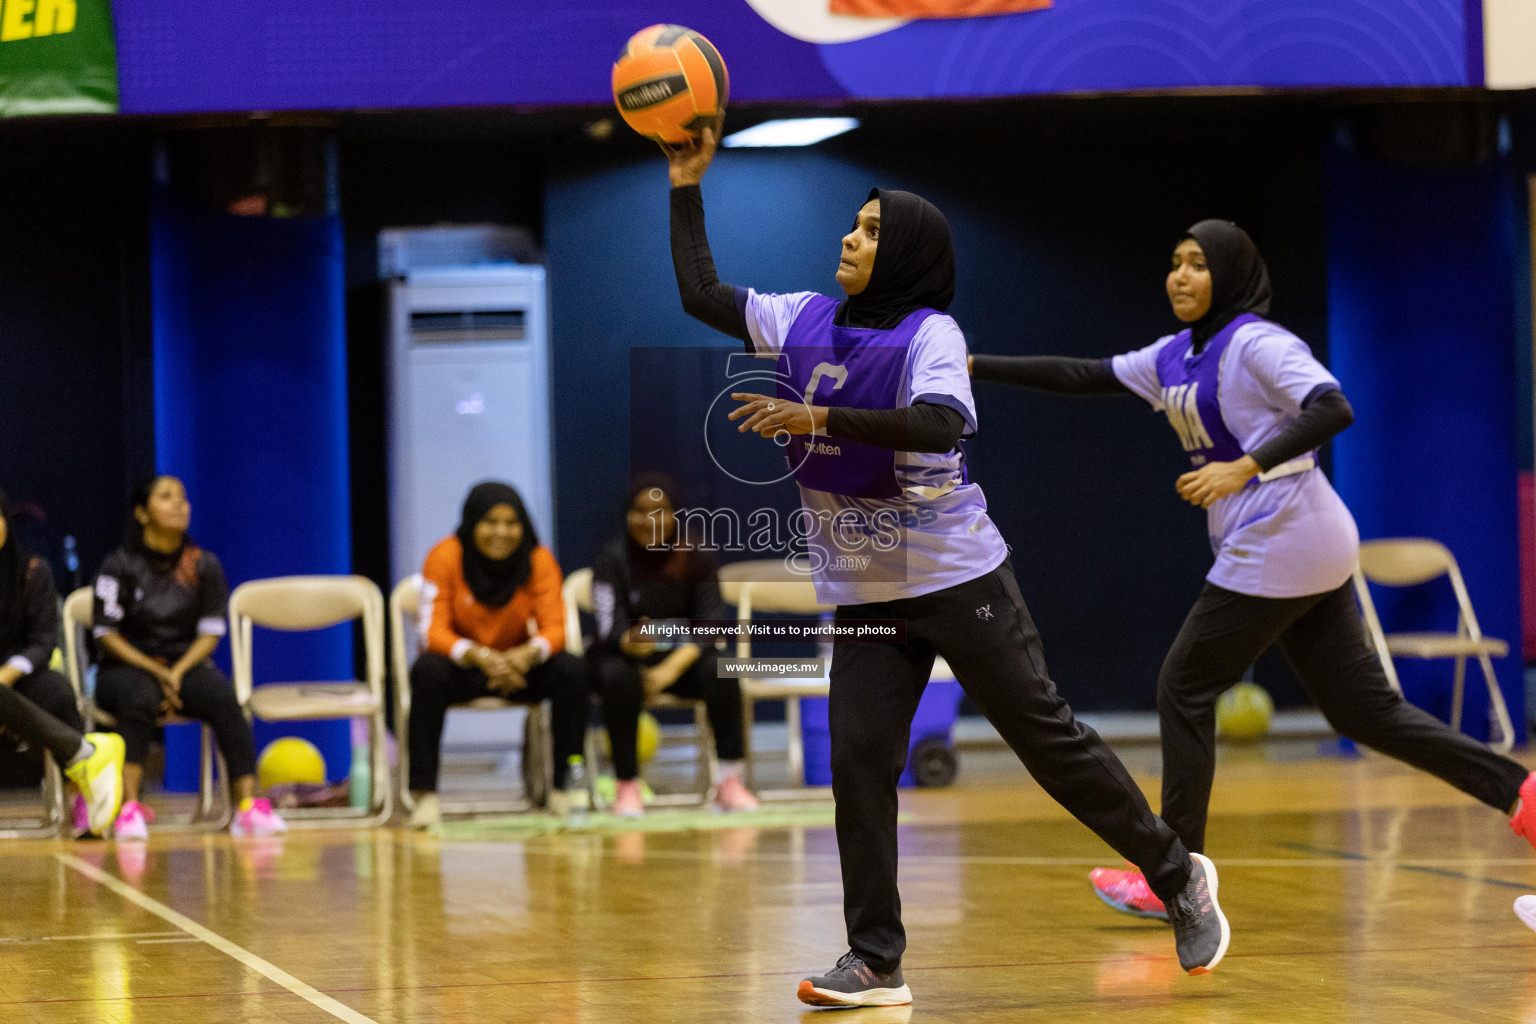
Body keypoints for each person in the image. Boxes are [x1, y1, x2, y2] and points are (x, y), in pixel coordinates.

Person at [665, 123, 1229, 1008]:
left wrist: (819, 422)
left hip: (957, 576)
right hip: (864, 591)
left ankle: (1176, 873)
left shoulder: (932, 335)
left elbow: (940, 424)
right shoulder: (800, 318)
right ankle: (875, 959)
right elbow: (700, 291)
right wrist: (686, 181)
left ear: (911, 253)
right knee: (857, 763)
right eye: (852, 226)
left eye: (871, 230)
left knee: (1049, 745)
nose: (850, 238)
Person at [969, 219, 1536, 920]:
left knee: (1184, 684)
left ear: (1231, 276)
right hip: (1302, 543)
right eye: (1174, 263)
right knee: (1364, 711)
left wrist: (1243, 467)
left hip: (1286, 533)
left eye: (1197, 264)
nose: (1180, 276)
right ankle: (1525, 795)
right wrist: (976, 365)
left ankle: (1171, 875)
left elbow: (1333, 406)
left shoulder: (1258, 344)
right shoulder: (1176, 355)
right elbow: (1086, 375)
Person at [92, 475, 286, 839]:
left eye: (183, 497)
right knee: (139, 696)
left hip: (185, 665)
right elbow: (106, 635)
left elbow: (210, 633)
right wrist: (154, 670)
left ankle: (248, 808)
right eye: (166, 498)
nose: (180, 505)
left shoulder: (203, 565)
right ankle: (128, 809)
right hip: (126, 668)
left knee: (223, 698)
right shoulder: (118, 566)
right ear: (141, 513)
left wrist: (177, 671)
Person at [408, 481, 589, 827]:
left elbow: (556, 629)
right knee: (427, 671)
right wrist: (477, 655)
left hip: (519, 667)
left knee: (571, 670)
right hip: (468, 667)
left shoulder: (539, 559)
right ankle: (425, 795)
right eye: (490, 522)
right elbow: (432, 631)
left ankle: (564, 789)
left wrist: (527, 654)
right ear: (472, 522)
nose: (501, 532)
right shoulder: (445, 555)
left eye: (512, 522)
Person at [589, 474, 759, 817]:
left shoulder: (695, 554)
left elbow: (711, 623)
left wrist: (669, 669)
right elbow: (609, 625)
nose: (650, 520)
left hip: (681, 663)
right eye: (640, 511)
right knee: (617, 677)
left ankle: (730, 782)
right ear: (627, 515)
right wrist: (631, 643)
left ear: (674, 515)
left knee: (724, 668)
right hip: (628, 660)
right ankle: (627, 785)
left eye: (660, 510)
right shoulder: (612, 559)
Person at [0, 488, 124, 834]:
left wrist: (5, 676)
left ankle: (80, 794)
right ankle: (84, 755)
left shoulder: (32, 572)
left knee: (56, 689)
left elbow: (42, 642)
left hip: (20, 672)